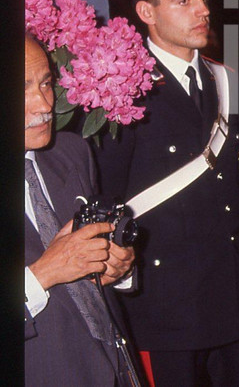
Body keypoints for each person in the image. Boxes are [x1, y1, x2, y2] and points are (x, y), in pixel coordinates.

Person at [93, 0, 239, 386]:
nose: (203, 10)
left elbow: (236, 187)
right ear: (146, 12)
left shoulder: (227, 81)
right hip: (168, 306)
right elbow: (107, 197)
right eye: (184, 1)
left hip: (238, 296)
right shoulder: (122, 91)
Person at [25, 34, 138, 386]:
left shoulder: (71, 153)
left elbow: (91, 275)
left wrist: (115, 267)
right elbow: (54, 272)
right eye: (20, 89)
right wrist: (41, 275)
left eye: (46, 83)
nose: (43, 104)